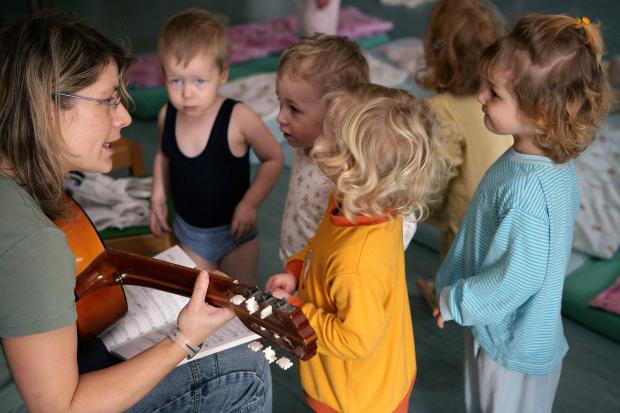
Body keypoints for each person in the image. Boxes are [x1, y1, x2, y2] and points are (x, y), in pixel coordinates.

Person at [0, 13, 271, 412]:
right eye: (108, 100)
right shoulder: (34, 242)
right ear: (47, 107)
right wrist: (185, 338)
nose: (125, 117)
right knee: (245, 370)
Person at [433, 14, 610, 413]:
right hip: (498, 325)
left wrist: (456, 301)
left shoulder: (528, 192)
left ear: (543, 113)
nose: (480, 96)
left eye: (493, 93)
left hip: (510, 342)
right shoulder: (533, 158)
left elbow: (517, 280)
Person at [267, 83, 449, 412]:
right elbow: (318, 248)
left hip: (355, 398)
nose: (318, 143)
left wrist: (295, 309)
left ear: (355, 170)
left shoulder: (356, 264)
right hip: (368, 378)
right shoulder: (354, 204)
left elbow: (356, 340)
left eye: (329, 138)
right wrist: (296, 271)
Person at [150, 8, 284, 285]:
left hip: (236, 235)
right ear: (163, 75)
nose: (187, 93)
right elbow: (164, 155)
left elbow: (273, 158)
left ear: (222, 74)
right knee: (202, 298)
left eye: (199, 81)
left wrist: (249, 204)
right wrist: (157, 197)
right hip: (191, 235)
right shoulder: (168, 115)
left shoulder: (238, 117)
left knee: (241, 300)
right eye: (176, 81)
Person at [277, 33, 418, 266]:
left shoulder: (351, 168)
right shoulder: (302, 142)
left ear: (336, 113)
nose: (280, 117)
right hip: (293, 265)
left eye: (294, 109)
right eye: (279, 102)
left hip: (327, 278)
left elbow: (403, 221)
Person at [415, 0, 513, 307]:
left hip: (467, 216)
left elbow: (436, 176)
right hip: (508, 201)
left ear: (437, 52)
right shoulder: (507, 97)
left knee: (459, 265)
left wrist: (419, 208)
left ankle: (443, 298)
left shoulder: (440, 110)